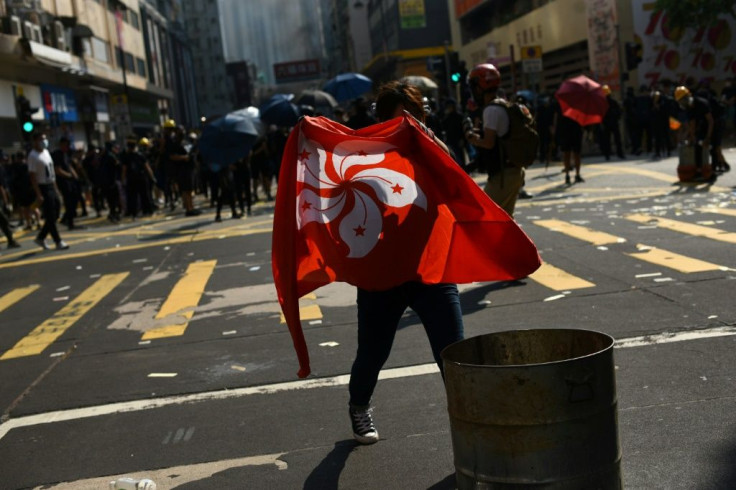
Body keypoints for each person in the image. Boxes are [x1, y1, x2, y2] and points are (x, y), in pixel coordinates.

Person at [346, 80, 462, 445]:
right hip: (383, 271)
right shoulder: (364, 153)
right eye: (402, 118)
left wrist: (425, 136)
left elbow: (457, 180)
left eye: (416, 115)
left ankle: (469, 422)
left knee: (453, 354)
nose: (409, 123)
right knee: (373, 353)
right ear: (382, 120)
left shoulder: (430, 145)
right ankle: (359, 406)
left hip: (430, 266)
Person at [464, 63, 524, 216]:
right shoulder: (503, 104)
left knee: (486, 218)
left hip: (503, 176)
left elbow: (489, 143)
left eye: (473, 87)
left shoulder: (491, 110)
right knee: (505, 221)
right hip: (513, 171)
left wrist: (472, 137)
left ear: (480, 86)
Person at [27, 132, 69, 250]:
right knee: (50, 214)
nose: (44, 141)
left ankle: (41, 237)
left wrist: (56, 188)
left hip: (51, 185)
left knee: (56, 212)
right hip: (42, 187)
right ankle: (58, 241)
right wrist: (38, 193)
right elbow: (32, 176)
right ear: (35, 141)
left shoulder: (46, 152)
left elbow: (51, 172)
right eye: (41, 139)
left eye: (45, 139)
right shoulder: (33, 155)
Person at [675, 86, 714, 181]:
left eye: (683, 100)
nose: (682, 103)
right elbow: (692, 124)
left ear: (687, 97)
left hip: (714, 122)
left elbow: (711, 121)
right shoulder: (689, 108)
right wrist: (691, 137)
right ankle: (699, 171)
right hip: (701, 125)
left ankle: (712, 171)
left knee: (714, 148)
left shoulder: (701, 103)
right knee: (697, 146)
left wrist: (708, 137)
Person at [51, 137, 80, 230]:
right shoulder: (57, 154)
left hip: (70, 181)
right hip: (63, 182)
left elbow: (69, 165)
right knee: (68, 202)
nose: (67, 147)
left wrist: (75, 175)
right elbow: (57, 170)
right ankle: (70, 222)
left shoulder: (66, 154)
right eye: (66, 145)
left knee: (75, 199)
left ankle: (66, 219)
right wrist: (69, 175)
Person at [599, 85, 625, 161]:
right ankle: (619, 153)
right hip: (613, 122)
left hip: (607, 123)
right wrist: (617, 118)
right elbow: (619, 112)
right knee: (617, 139)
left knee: (607, 140)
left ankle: (607, 154)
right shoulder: (613, 102)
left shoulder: (603, 103)